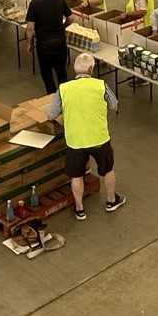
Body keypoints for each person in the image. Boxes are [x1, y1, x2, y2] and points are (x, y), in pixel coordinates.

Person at [46, 53, 126, 220]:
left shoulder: (64, 89)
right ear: (90, 69)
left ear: (76, 70)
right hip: (99, 138)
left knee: (76, 175)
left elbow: (51, 115)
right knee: (108, 169)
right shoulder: (101, 86)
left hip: (75, 141)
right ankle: (111, 200)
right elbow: (114, 105)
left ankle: (80, 209)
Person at [25, 0, 71, 95]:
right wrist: (63, 26)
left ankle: (52, 98)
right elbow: (71, 18)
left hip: (44, 46)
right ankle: (65, 97)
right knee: (61, 72)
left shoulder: (34, 4)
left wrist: (29, 43)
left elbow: (30, 28)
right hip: (60, 43)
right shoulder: (59, 0)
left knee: (47, 75)